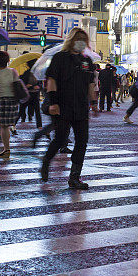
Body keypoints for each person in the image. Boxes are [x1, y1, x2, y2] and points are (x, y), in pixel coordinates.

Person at [41, 28, 99, 189]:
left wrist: (93, 103)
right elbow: (51, 80)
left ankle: (74, 177)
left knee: (82, 141)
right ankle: (46, 161)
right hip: (62, 105)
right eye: (78, 38)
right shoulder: (60, 58)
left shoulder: (87, 61)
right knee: (60, 138)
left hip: (81, 107)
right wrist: (53, 102)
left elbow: (90, 84)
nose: (81, 42)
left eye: (83, 39)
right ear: (71, 40)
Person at [0, 51, 20, 158]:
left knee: (4, 127)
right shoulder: (13, 71)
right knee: (9, 125)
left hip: (1, 100)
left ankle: (6, 149)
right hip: (13, 100)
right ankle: (7, 149)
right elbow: (17, 85)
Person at [20, 60, 42, 130]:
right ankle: (14, 124)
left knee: (37, 111)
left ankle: (39, 126)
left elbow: (40, 84)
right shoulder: (26, 74)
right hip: (27, 95)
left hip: (35, 95)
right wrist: (32, 87)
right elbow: (24, 85)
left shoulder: (37, 73)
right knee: (21, 111)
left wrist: (38, 87)